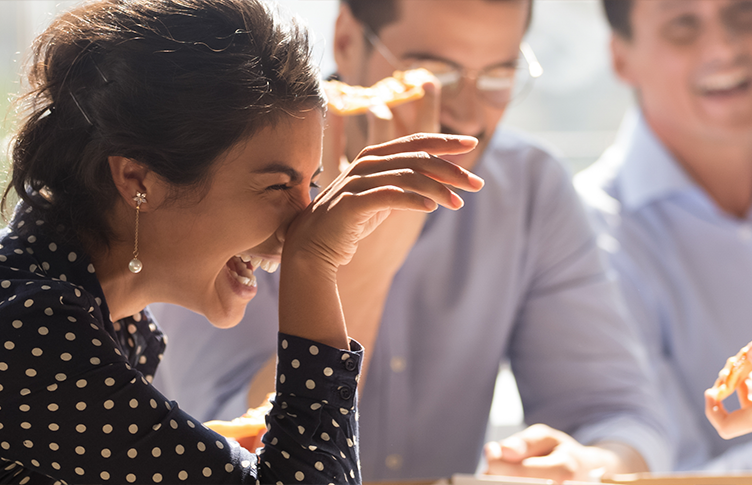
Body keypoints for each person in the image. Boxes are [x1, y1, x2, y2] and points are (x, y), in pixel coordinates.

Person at [0, 0, 485, 483]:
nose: (304, 219)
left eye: (312, 182)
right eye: (278, 185)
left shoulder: (92, 307)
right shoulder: (25, 330)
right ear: (138, 180)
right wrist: (315, 264)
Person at [151, 0, 673, 482]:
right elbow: (229, 448)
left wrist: (588, 463)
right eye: (434, 75)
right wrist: (363, 256)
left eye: (498, 77)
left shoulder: (529, 190)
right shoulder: (232, 180)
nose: (467, 116)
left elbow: (622, 417)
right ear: (349, 41)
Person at [575, 0, 752, 471]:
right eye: (682, 25)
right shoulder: (586, 233)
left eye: (744, 14)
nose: (726, 47)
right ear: (621, 57)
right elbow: (667, 469)